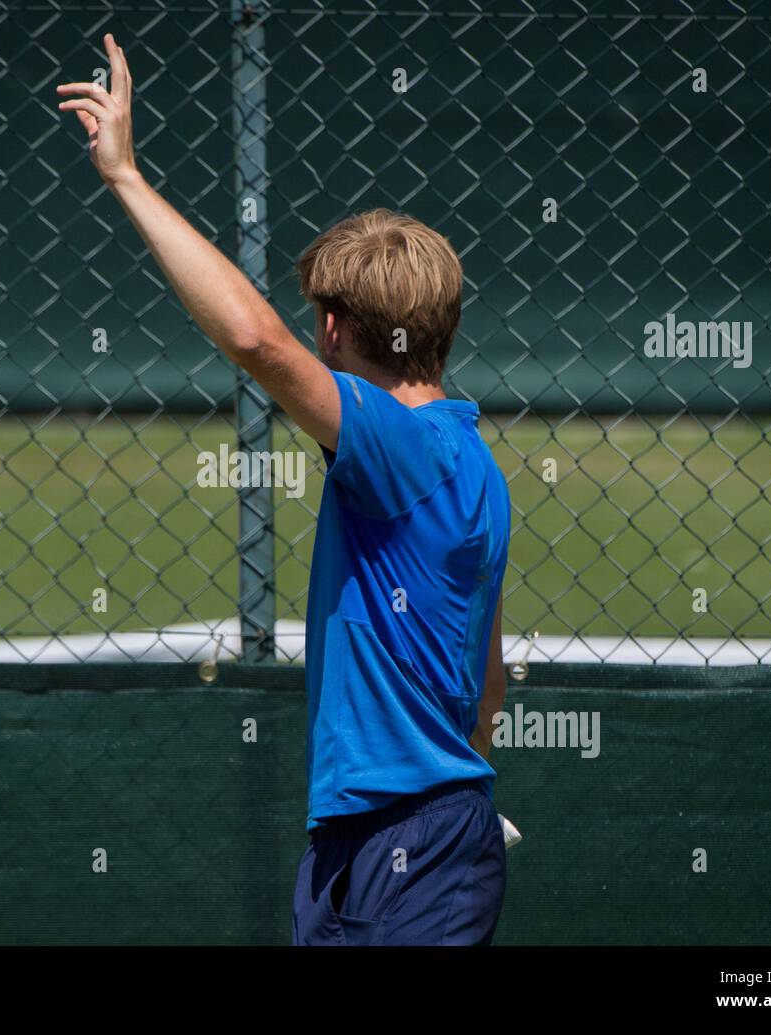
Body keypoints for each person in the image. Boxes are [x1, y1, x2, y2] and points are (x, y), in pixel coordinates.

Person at [58, 33, 510, 946]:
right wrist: (464, 791)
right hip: (389, 841)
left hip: (408, 846)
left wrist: (128, 179)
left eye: (320, 323)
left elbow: (258, 343)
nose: (314, 339)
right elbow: (487, 681)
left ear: (338, 327)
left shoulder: (401, 448)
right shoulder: (475, 464)